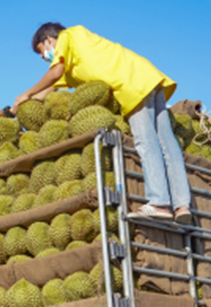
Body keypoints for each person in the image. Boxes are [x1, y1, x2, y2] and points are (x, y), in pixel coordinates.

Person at [12, 22, 191, 224]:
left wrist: (25, 93)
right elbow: (51, 88)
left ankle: (159, 202)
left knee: (145, 140)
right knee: (167, 144)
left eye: (42, 52)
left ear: (48, 40)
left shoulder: (69, 36)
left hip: (131, 83)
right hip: (146, 77)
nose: (44, 57)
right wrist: (24, 102)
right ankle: (182, 205)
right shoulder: (75, 60)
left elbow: (55, 72)